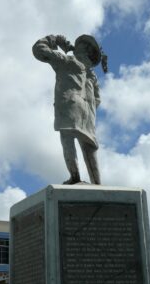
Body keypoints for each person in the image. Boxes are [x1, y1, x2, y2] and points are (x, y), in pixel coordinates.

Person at [32, 34, 107, 184]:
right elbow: (98, 99)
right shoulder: (92, 75)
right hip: (88, 116)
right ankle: (97, 183)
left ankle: (75, 177)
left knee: (67, 139)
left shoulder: (68, 61)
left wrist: (56, 40)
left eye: (78, 44)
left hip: (70, 106)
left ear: (84, 48)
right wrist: (88, 107)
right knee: (89, 148)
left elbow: (39, 50)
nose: (75, 45)